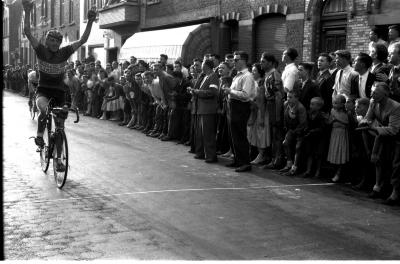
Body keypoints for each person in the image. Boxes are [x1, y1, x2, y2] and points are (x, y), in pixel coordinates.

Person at [23, 0, 97, 172]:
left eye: (58, 41)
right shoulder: (41, 50)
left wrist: (91, 21)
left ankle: (58, 160)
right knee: (43, 110)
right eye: (52, 40)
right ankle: (40, 136)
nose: (55, 44)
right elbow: (27, 31)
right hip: (43, 90)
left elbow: (84, 39)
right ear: (47, 41)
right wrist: (27, 11)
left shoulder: (65, 52)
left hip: (59, 93)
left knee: (60, 127)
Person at [362, 82, 400, 206]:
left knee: (396, 164)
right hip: (383, 134)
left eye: (376, 93)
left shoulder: (395, 106)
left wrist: (374, 128)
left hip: (397, 137)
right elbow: (368, 118)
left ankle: (395, 193)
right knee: (378, 160)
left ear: (386, 94)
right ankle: (378, 187)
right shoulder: (373, 103)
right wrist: (364, 123)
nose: (372, 95)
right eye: (372, 92)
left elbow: (394, 129)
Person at [222, 51, 256, 172]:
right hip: (234, 106)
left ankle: (245, 162)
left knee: (240, 136)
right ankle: (238, 160)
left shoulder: (247, 76)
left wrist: (229, 91)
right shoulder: (238, 75)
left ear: (243, 61)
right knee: (234, 136)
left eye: (236, 60)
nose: (234, 62)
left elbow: (245, 95)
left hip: (241, 107)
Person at [188, 59, 219, 163]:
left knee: (208, 134)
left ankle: (211, 156)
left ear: (206, 66)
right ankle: (201, 153)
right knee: (200, 133)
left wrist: (197, 92)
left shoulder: (213, 76)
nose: (200, 66)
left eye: (202, 64)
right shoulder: (205, 76)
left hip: (208, 109)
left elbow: (212, 92)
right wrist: (194, 91)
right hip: (201, 109)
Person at [261, 53, 285, 170]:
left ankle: (277, 160)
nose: (261, 64)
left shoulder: (275, 75)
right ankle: (273, 158)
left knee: (277, 135)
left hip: (275, 106)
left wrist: (277, 114)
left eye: (263, 62)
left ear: (270, 63)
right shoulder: (268, 74)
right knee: (273, 134)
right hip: (270, 105)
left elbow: (279, 95)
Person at [279, 89, 307, 175]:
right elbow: (284, 118)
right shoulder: (286, 104)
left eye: (291, 97)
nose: (288, 99)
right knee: (285, 143)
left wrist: (295, 132)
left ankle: (294, 168)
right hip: (291, 129)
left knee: (298, 147)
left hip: (301, 130)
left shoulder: (300, 108)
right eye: (287, 97)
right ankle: (289, 164)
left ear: (297, 98)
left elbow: (303, 124)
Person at [298, 97, 326, 178]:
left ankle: (318, 171)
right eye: (311, 104)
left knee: (318, 155)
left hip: (319, 138)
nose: (311, 106)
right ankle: (308, 170)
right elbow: (307, 124)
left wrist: (312, 131)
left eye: (313, 104)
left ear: (319, 107)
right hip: (310, 137)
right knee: (309, 154)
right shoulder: (309, 114)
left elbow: (322, 128)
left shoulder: (321, 116)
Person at [247, 63, 269, 165]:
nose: (252, 72)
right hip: (254, 111)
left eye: (255, 70)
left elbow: (260, 101)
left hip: (261, 111)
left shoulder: (261, 83)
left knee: (261, 133)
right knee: (255, 134)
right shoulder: (254, 82)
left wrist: (261, 117)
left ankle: (261, 155)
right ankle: (257, 154)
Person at [327, 94, 350, 183]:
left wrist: (337, 120)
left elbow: (347, 124)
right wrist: (332, 120)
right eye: (333, 103)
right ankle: (335, 172)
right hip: (334, 133)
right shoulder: (332, 111)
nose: (334, 105)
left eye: (336, 103)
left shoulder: (346, 113)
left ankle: (339, 173)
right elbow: (329, 122)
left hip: (342, 134)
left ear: (342, 104)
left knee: (341, 153)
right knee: (334, 153)